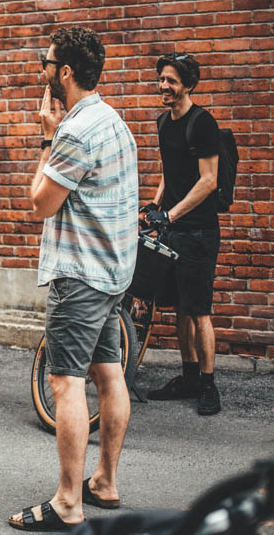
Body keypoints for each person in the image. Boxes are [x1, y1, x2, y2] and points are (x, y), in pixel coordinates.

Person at [8, 27, 138, 531]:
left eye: (46, 63)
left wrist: (46, 136)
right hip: (112, 274)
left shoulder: (76, 131)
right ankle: (103, 481)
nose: (41, 71)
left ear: (64, 72)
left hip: (80, 276)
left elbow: (40, 203)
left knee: (65, 383)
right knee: (109, 374)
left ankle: (68, 502)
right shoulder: (114, 121)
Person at [142, 53, 222, 416]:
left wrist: (170, 214)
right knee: (179, 309)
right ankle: (188, 376)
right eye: (162, 79)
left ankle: (208, 384)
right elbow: (169, 172)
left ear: (188, 85)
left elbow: (208, 181)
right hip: (173, 230)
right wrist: (154, 204)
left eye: (172, 81)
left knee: (199, 310)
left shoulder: (202, 123)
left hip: (199, 232)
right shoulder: (163, 123)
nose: (164, 86)